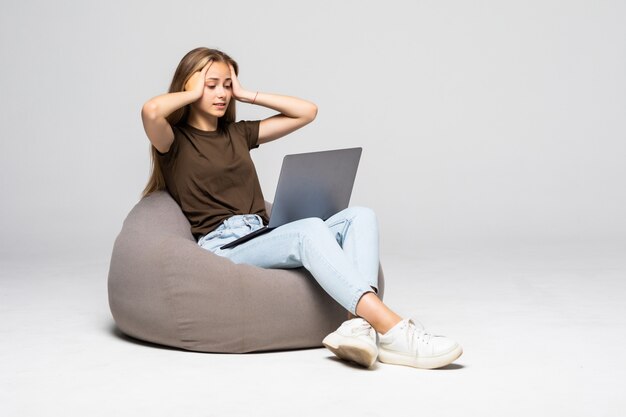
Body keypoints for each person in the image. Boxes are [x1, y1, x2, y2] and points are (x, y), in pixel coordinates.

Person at [141, 47, 462, 369]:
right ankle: (392, 329)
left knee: (360, 216)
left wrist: (246, 94)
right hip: (223, 246)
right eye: (212, 85)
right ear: (188, 85)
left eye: (227, 84)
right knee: (308, 230)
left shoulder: (238, 134)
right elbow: (152, 111)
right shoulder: (173, 141)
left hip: (261, 232)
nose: (222, 93)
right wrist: (193, 91)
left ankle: (357, 326)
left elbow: (306, 111)